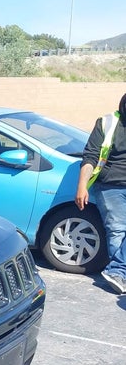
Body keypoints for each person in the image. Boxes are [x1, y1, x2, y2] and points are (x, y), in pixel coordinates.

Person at [75, 93, 126, 294]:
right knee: (117, 230)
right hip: (110, 185)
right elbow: (90, 156)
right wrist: (82, 186)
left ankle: (117, 271)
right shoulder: (107, 123)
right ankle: (119, 275)